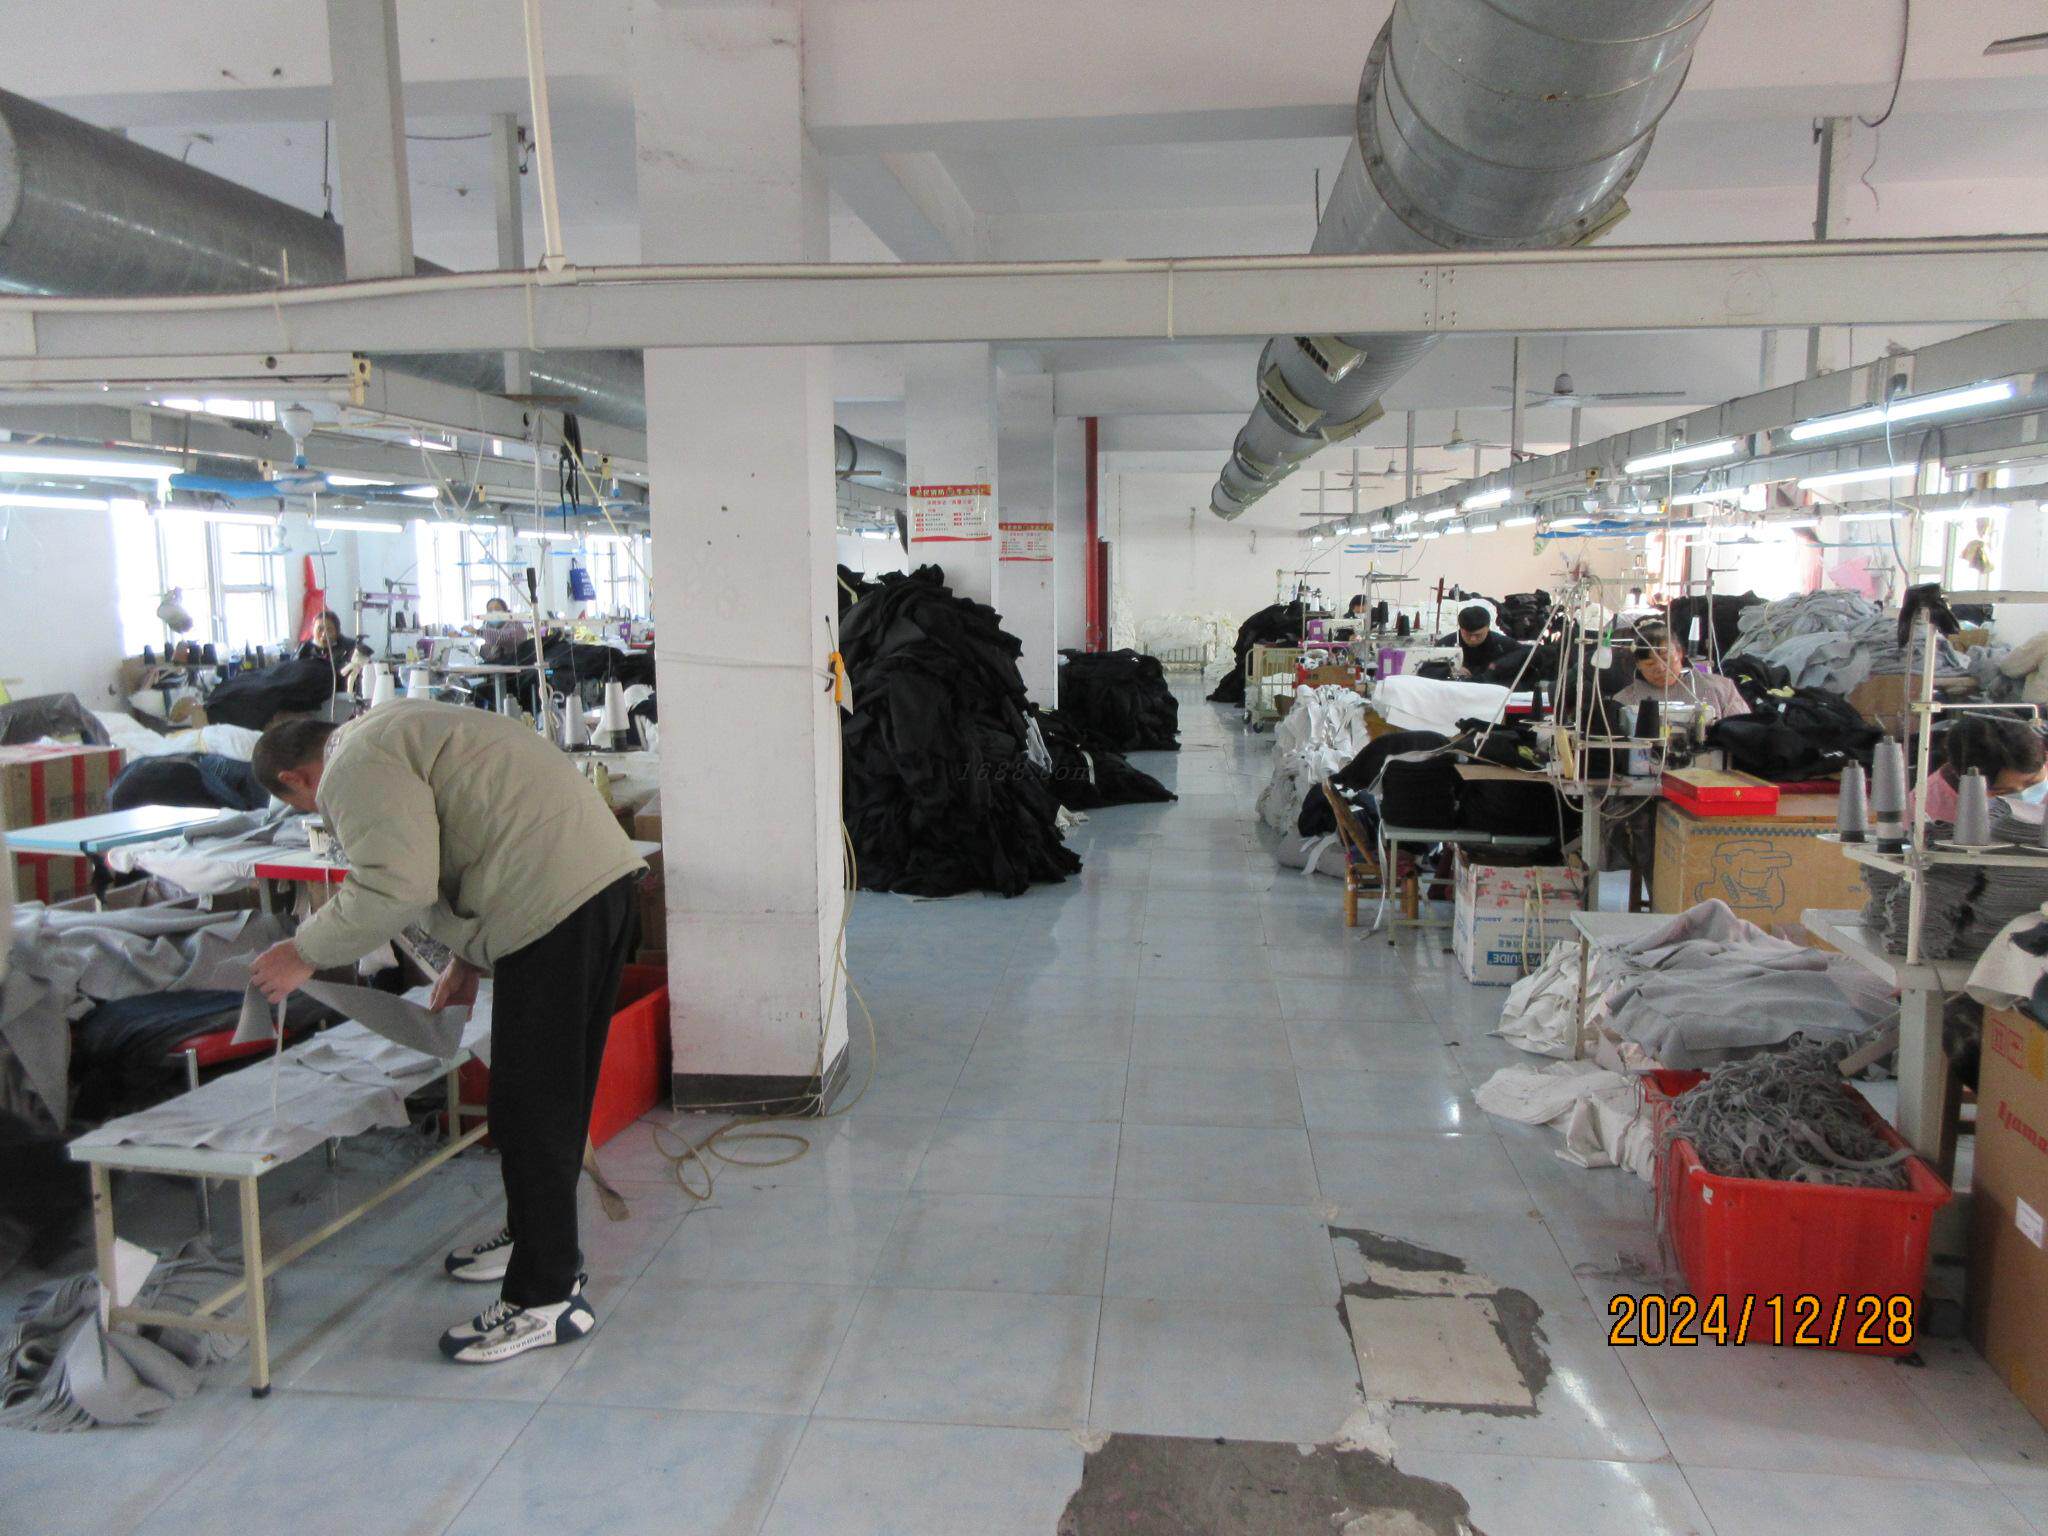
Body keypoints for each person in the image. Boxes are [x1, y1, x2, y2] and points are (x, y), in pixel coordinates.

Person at [247, 700, 646, 1365]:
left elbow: (396, 885)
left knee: (530, 1108)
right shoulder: (390, 728)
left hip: (551, 907)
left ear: (295, 778)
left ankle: (546, 1298)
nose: (321, 816)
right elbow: (464, 837)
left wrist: (303, 951)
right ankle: (534, 1240)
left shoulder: (349, 768)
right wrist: (465, 959)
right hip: (590, 887)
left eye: (304, 807)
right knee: (547, 1097)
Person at [1613, 619, 1749, 719]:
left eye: (1666, 659)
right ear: (1638, 664)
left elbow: (1742, 732)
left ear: (1680, 653)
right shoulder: (1624, 701)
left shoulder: (1722, 689)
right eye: (1650, 664)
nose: (1661, 668)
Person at [1922, 714, 2048, 820]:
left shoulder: (2038, 758)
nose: (2023, 798)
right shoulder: (1928, 807)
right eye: (2002, 792)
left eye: (2033, 783)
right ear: (1963, 779)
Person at [1442, 604, 1516, 678]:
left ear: (1488, 628)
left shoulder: (1505, 645)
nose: (1472, 639)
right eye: (1468, 634)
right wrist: (1449, 671)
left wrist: (1496, 668)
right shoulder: (1445, 644)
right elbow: (1434, 669)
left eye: (1478, 635)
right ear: (1460, 628)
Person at [477, 597, 531, 665]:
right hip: (495, 666)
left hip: (515, 665)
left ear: (505, 611)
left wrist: (479, 632)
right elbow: (488, 653)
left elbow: (505, 637)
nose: (493, 612)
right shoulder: (487, 626)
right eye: (490, 610)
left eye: (497, 609)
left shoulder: (516, 625)